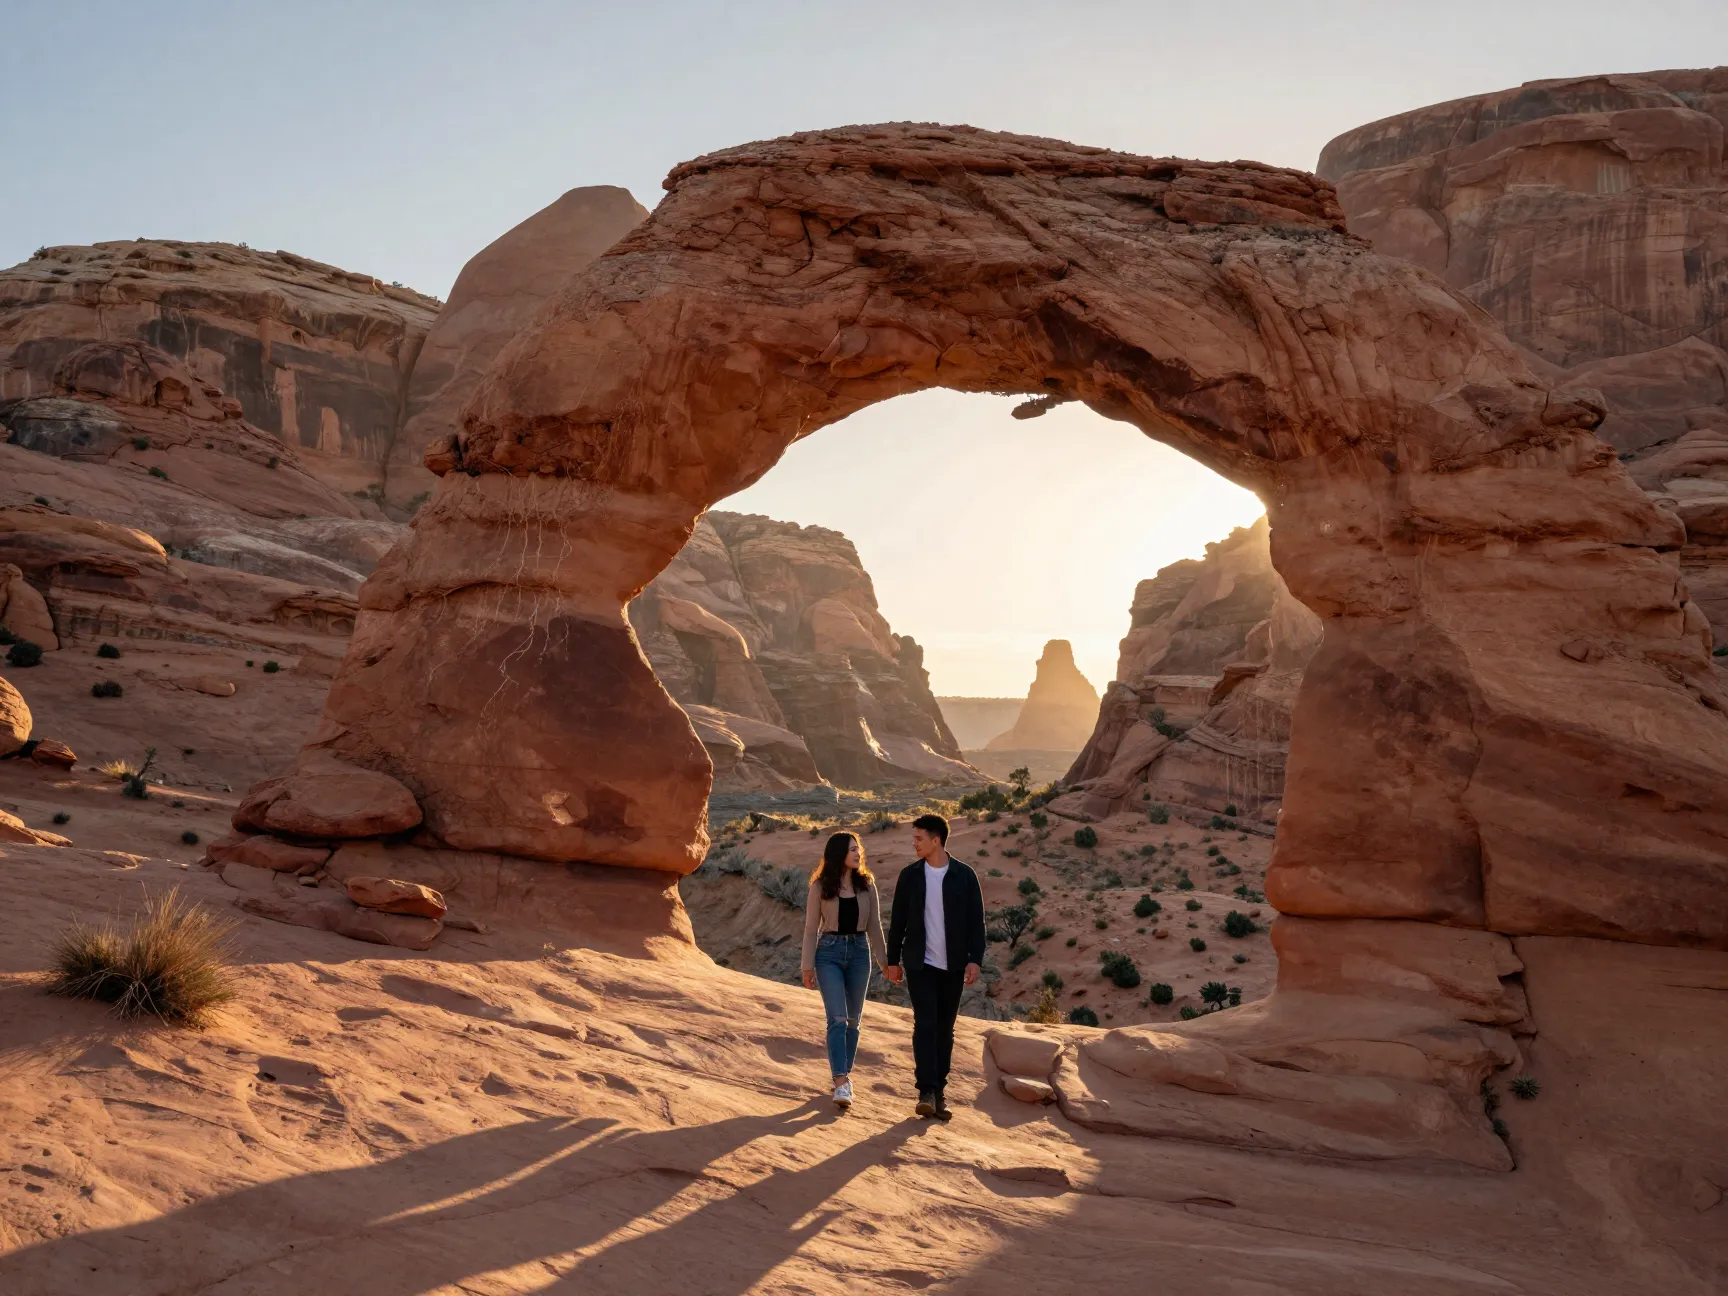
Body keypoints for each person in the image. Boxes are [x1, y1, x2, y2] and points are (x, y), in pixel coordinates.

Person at [882, 813, 986, 1121]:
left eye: (918, 838)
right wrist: (892, 962)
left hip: (953, 965)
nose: (913, 843)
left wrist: (974, 958)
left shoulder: (965, 876)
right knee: (925, 1024)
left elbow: (976, 922)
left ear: (936, 840)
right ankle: (925, 1091)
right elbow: (897, 921)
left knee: (945, 1030)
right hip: (920, 963)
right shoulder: (910, 875)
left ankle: (940, 1092)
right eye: (913, 838)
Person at [800, 831, 888, 1109]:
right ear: (838, 854)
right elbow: (810, 929)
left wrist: (886, 962)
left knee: (853, 1021)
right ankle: (840, 1083)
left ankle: (844, 1077)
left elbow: (874, 926)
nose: (858, 853)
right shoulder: (819, 887)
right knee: (837, 1018)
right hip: (829, 953)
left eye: (858, 848)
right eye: (852, 849)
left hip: (860, 953)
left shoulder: (867, 885)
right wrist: (807, 966)